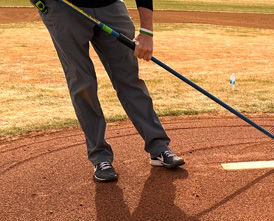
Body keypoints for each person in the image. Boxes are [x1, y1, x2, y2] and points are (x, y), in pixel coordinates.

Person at [37, 0, 184, 182]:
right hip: (64, 8)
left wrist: (147, 31)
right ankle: (100, 158)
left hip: (110, 6)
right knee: (83, 84)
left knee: (129, 79)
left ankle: (158, 147)